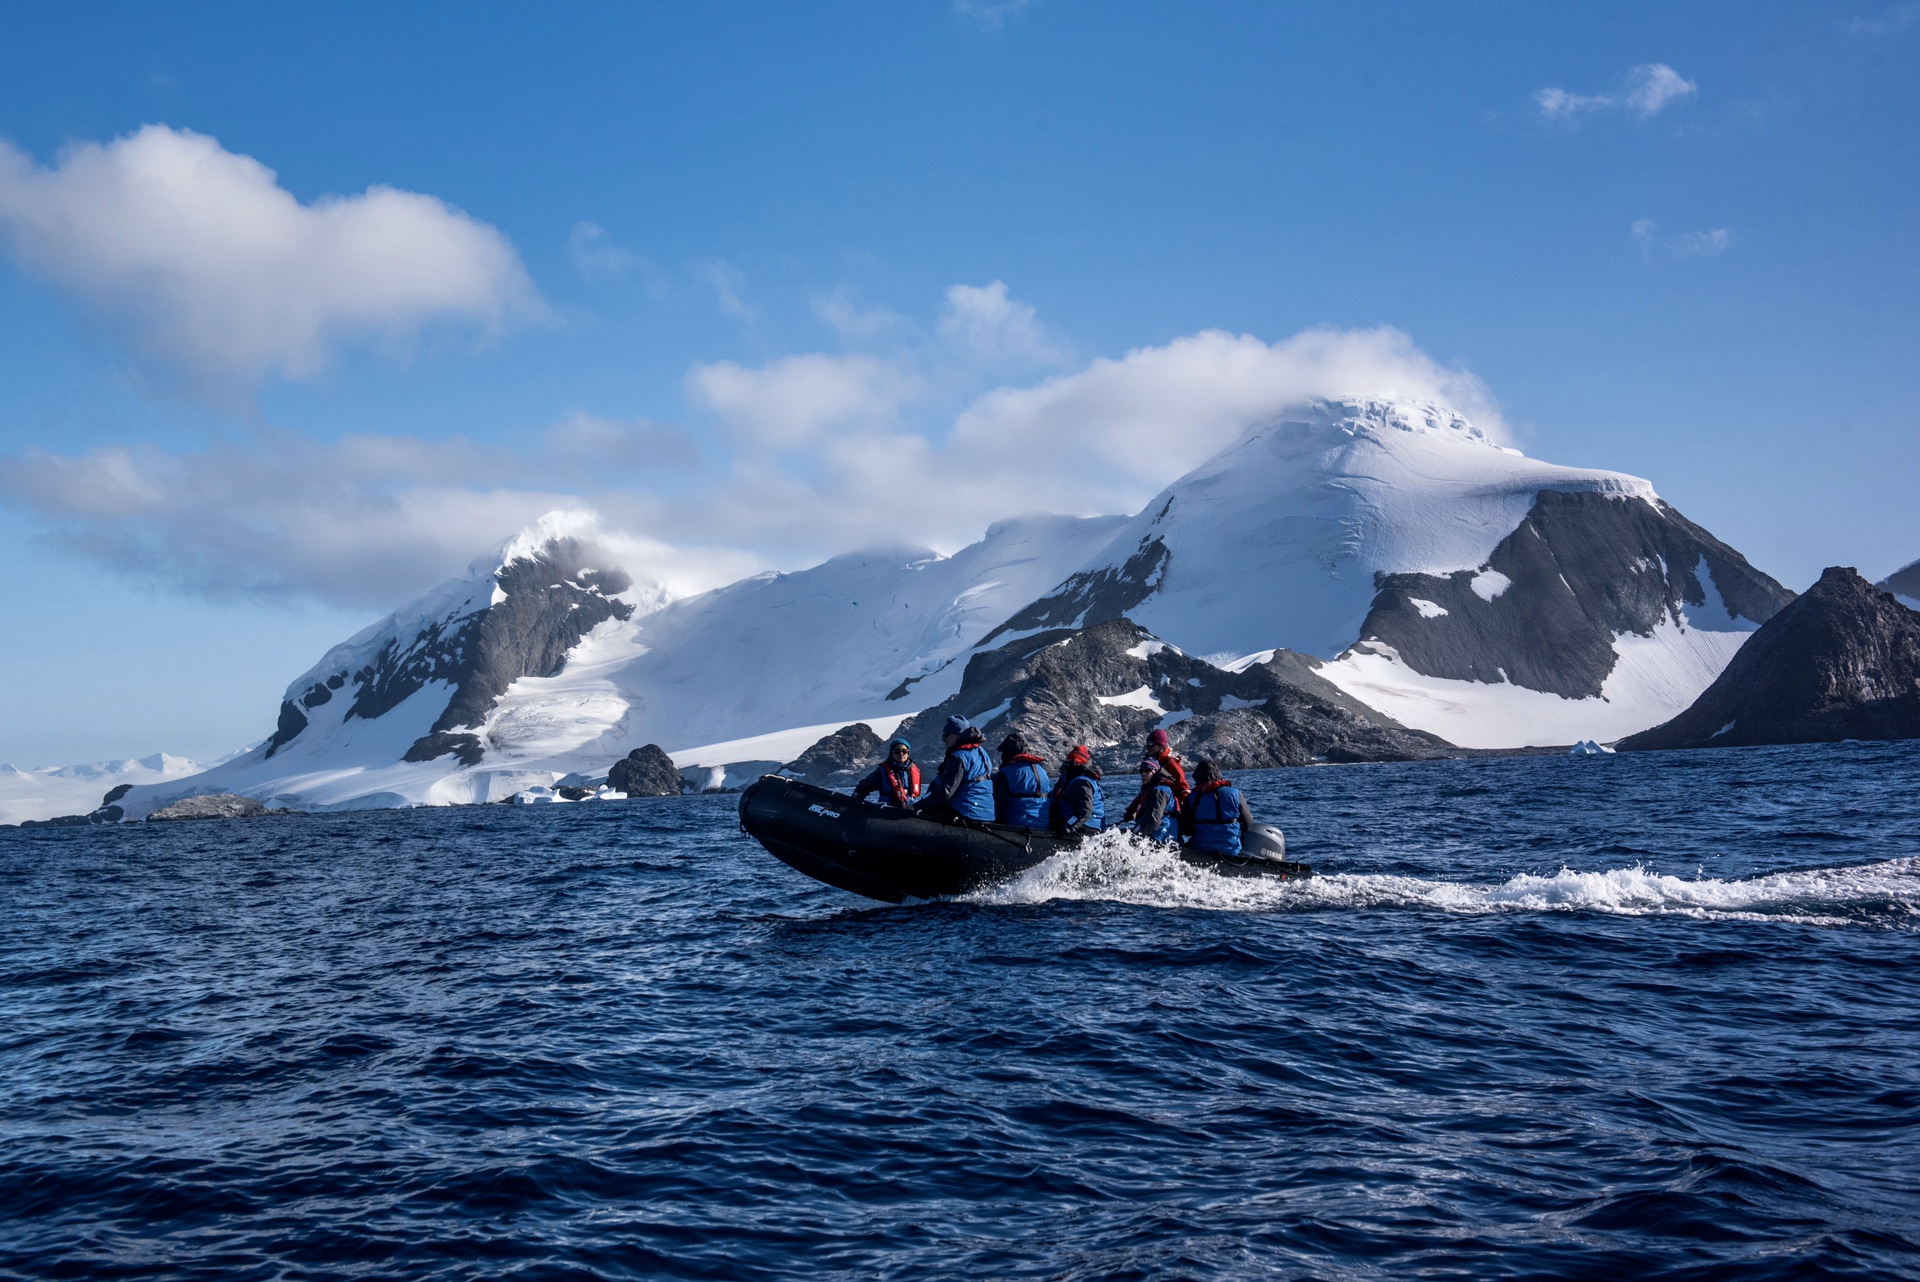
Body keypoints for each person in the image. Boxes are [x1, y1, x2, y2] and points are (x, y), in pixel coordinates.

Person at [915, 715, 995, 822]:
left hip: (966, 810)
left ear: (958, 735)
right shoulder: (982, 753)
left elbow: (946, 791)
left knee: (928, 811)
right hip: (988, 812)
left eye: (947, 735)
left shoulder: (959, 757)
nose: (944, 739)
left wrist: (917, 806)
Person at [1182, 758, 1255, 855]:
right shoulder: (1235, 794)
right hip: (1231, 850)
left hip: (1199, 849)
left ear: (1197, 777)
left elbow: (1186, 830)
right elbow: (1248, 823)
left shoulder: (1191, 798)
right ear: (1218, 774)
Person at [1121, 728, 1190, 826]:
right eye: (1147, 744)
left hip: (1167, 812)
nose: (1148, 747)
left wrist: (1186, 816)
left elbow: (1184, 790)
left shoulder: (1171, 765)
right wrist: (1131, 810)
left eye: (1151, 744)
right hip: (1154, 806)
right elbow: (1144, 792)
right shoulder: (1152, 763)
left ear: (1161, 746)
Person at [1048, 744, 1104, 834]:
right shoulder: (1077, 780)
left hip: (1085, 827)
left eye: (1068, 762)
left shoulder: (1081, 783)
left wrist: (1069, 826)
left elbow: (1085, 810)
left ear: (1076, 763)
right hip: (1083, 825)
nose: (1066, 766)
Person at [852, 737, 921, 808]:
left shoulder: (915, 770)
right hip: (888, 811)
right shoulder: (882, 772)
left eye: (904, 751)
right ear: (892, 753)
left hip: (910, 810)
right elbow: (863, 787)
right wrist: (856, 803)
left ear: (908, 753)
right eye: (897, 751)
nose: (901, 754)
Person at [1130, 757, 1179, 843]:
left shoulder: (1159, 791)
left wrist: (1137, 838)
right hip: (1155, 833)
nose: (1143, 774)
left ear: (1155, 772)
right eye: (1141, 771)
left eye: (1147, 771)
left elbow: (1154, 821)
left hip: (1161, 837)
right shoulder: (1152, 789)